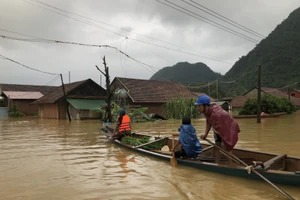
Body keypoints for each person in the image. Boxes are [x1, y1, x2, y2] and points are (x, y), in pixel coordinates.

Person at [195, 95, 240, 164]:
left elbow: (223, 130)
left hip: (228, 127)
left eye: (199, 106)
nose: (198, 108)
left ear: (206, 106)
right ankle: (217, 164)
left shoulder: (216, 115)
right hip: (218, 126)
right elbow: (209, 122)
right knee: (217, 145)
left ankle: (231, 165)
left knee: (226, 147)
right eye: (197, 106)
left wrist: (224, 142)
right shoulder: (206, 112)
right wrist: (205, 134)